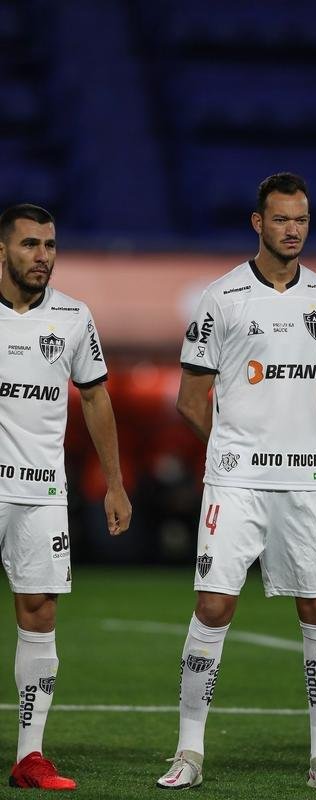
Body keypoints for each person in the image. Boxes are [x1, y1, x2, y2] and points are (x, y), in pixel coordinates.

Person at [157, 173, 316, 791]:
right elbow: (191, 402)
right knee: (214, 605)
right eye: (281, 219)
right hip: (236, 482)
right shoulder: (222, 298)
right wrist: (237, 447)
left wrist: (293, 435)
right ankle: (189, 752)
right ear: (258, 223)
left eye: (301, 219)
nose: (293, 229)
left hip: (306, 482)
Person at [0, 204, 132, 790]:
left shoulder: (75, 318)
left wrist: (115, 482)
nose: (42, 257)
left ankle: (31, 756)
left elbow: (97, 399)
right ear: (2, 250)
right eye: (30, 245)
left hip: (40, 491)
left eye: (50, 246)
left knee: (41, 612)